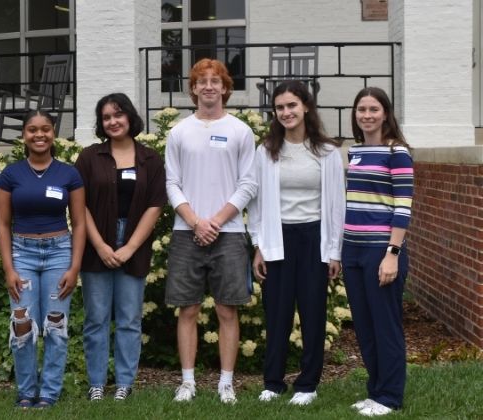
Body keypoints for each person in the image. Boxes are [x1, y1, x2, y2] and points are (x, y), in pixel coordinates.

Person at [164, 58, 256, 404]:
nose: (208, 86)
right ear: (193, 89)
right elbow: (172, 183)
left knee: (227, 309)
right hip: (187, 231)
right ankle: (187, 382)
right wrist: (195, 221)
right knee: (187, 309)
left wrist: (215, 221)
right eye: (201, 81)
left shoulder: (240, 131)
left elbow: (248, 184)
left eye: (215, 81)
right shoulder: (179, 132)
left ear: (225, 88)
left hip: (228, 232)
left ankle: (226, 382)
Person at [247, 80, 345, 406]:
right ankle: (273, 383)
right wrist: (259, 244)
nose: (286, 112)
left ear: (305, 107)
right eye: (280, 107)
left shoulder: (328, 152)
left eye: (292, 105)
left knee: (313, 313)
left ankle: (308, 384)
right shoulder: (266, 151)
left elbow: (336, 205)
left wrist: (334, 251)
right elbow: (257, 203)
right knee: (277, 313)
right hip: (278, 238)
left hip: (314, 238)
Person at [74, 93, 166, 401]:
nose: (113, 121)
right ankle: (97, 384)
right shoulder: (89, 157)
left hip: (134, 240)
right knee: (96, 318)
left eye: (118, 115)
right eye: (106, 117)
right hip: (95, 239)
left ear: (130, 117)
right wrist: (99, 245)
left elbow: (155, 206)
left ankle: (125, 383)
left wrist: (129, 247)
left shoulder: (150, 159)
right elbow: (79, 205)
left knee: (129, 319)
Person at [0, 110, 86, 409]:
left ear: (53, 133)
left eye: (45, 129)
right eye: (32, 130)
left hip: (59, 251)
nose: (39, 135)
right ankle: (26, 391)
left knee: (56, 327)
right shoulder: (10, 175)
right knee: (22, 324)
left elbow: (80, 223)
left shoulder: (68, 174)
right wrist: (9, 268)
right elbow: (3, 225)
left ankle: (49, 393)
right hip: (22, 253)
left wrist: (74, 267)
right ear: (24, 135)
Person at [343, 87, 413, 417]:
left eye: (373, 109)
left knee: (385, 325)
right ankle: (374, 391)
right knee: (365, 326)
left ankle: (390, 397)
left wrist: (393, 253)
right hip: (352, 251)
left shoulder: (397, 152)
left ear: (386, 113)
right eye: (361, 110)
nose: (367, 115)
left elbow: (403, 207)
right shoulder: (354, 152)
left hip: (380, 251)